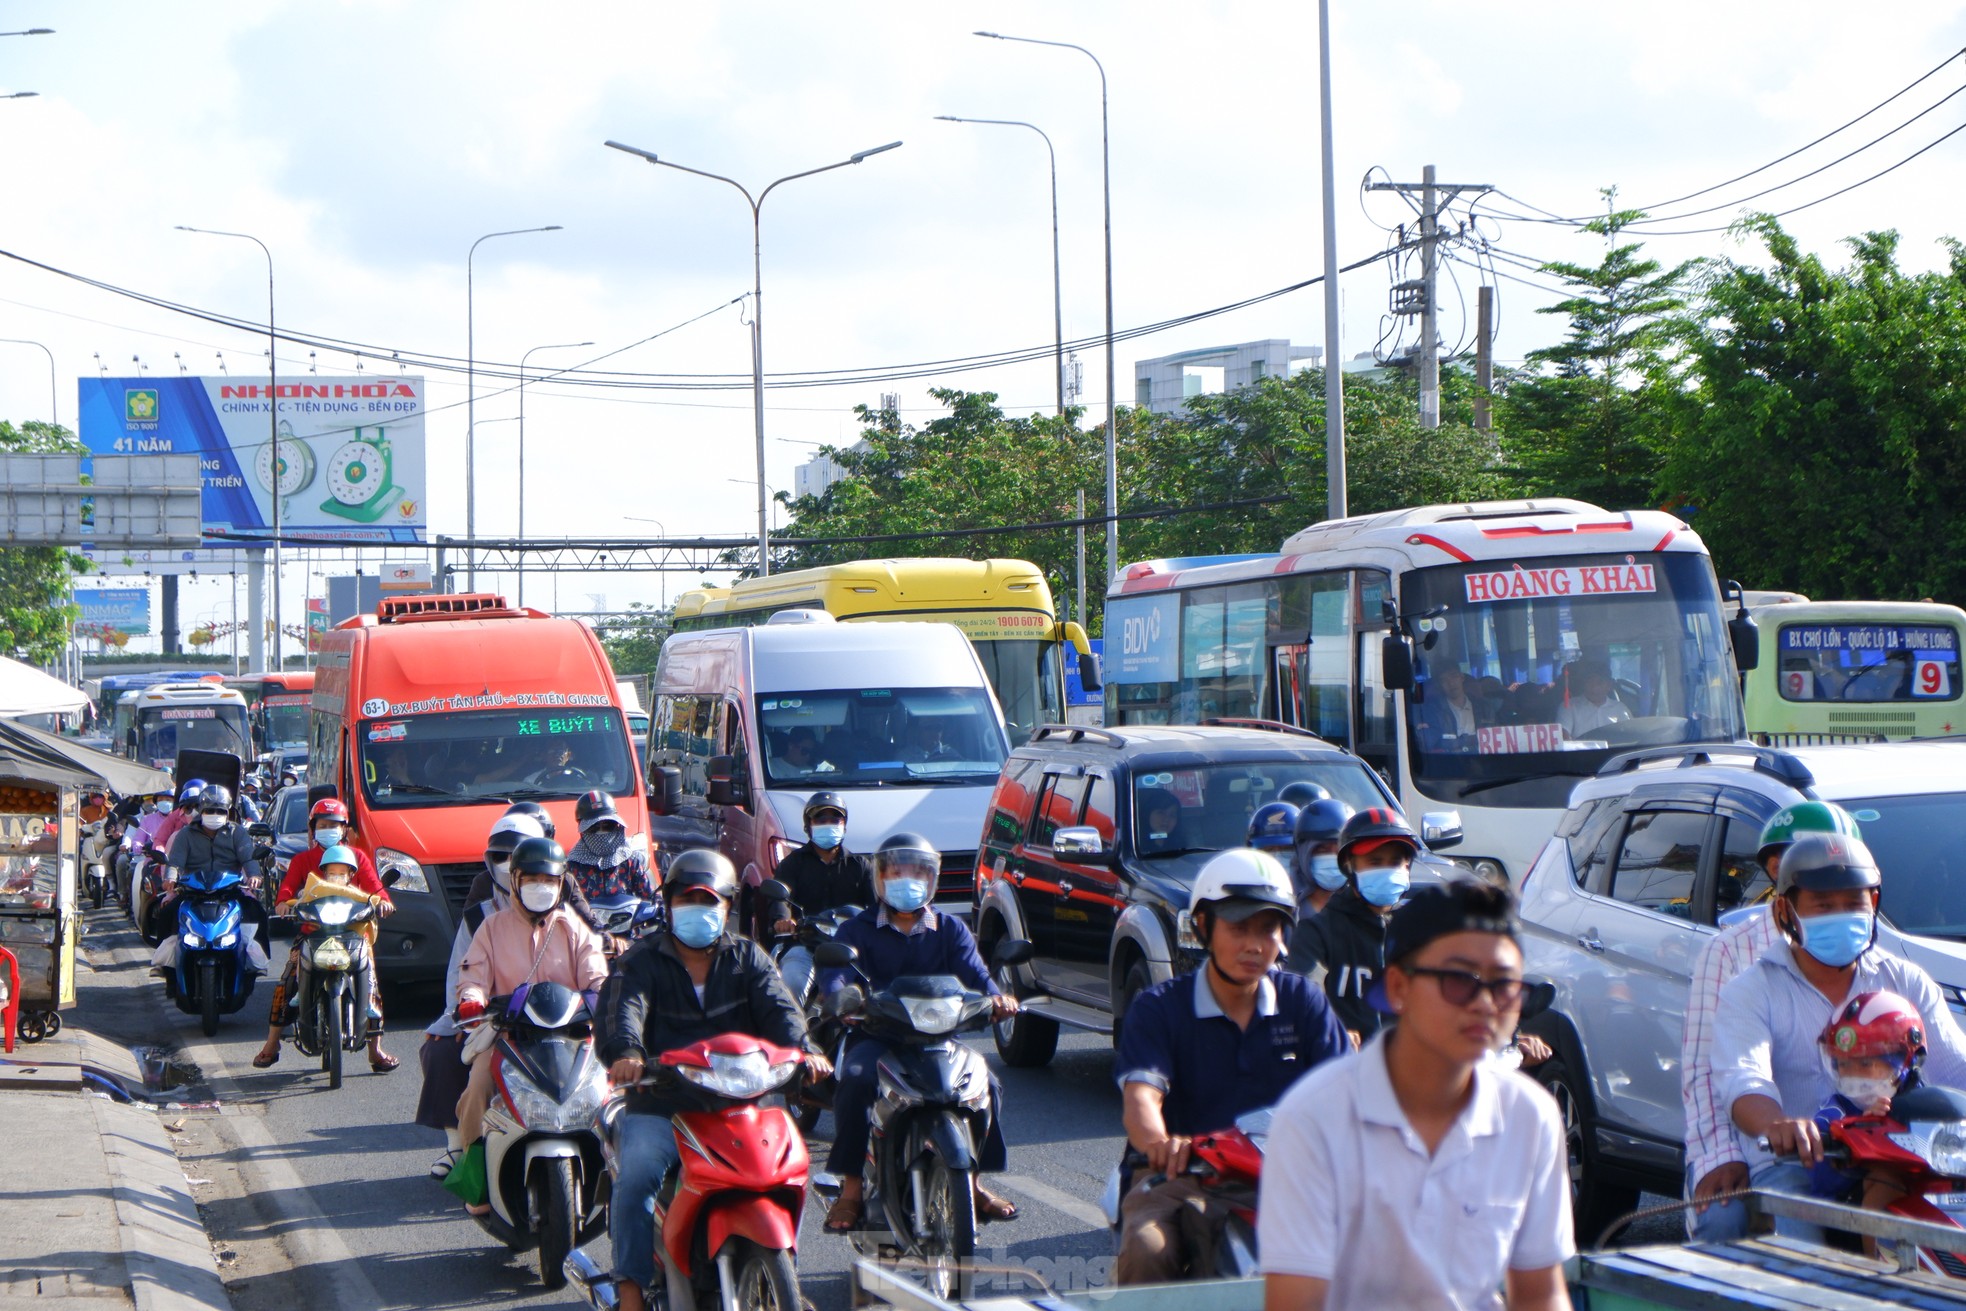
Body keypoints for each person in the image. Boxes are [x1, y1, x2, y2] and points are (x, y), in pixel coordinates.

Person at [1260, 880, 1574, 1311]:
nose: (1485, 1004)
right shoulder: (1314, 1118)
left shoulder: (1531, 1116)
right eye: (1460, 980)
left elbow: (1541, 1294)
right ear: (1398, 989)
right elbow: (1296, 1304)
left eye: (1504, 985)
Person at [597, 849, 826, 1311]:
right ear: (668, 903)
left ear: (727, 906)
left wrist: (807, 1051)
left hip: (742, 1102)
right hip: (664, 1102)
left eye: (709, 901)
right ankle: (630, 1289)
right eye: (687, 899)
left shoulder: (748, 958)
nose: (698, 910)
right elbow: (625, 1013)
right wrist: (628, 1054)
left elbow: (781, 1011)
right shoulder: (641, 960)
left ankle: (783, 1272)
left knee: (789, 1170)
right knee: (638, 1174)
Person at [1714, 834, 1966, 1240]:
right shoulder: (1751, 990)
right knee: (1807, 1262)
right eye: (1824, 906)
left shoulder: (1906, 980)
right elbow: (1744, 1080)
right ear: (1785, 911)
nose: (1841, 915)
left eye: (1854, 904)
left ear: (1874, 905)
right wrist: (1779, 1126)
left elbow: (1956, 1069)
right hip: (1798, 1167)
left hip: (1904, 1158)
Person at [1113, 849, 1348, 1284]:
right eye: (1238, 928)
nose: (1255, 944)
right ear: (1203, 927)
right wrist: (1161, 1144)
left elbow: (1350, 1093)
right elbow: (1141, 1100)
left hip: (1289, 1178)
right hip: (1181, 1176)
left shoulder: (1304, 1002)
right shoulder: (1159, 1008)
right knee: (1149, 1250)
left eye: (1269, 928)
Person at [818, 831, 1020, 1233]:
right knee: (856, 1082)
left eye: (916, 873)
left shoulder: (949, 929)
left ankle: (974, 1184)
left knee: (988, 1085)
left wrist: (997, 999)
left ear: (932, 879)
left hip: (938, 1037)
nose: (906, 881)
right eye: (896, 873)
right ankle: (852, 1189)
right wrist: (842, 999)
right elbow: (835, 974)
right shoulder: (857, 930)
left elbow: (976, 974)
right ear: (879, 878)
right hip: (876, 1036)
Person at [1680, 801, 1862, 1239]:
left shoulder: (1885, 964)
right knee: (1724, 1222)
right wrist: (1723, 1157)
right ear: (1780, 867)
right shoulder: (1733, 955)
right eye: (1822, 900)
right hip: (1770, 1153)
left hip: (1869, 1154)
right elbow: (1711, 1073)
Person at [453, 837, 609, 1206]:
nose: (542, 886)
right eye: (533, 878)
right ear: (515, 880)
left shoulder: (574, 928)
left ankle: (613, 1175)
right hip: (509, 1038)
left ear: (561, 883)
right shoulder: (491, 927)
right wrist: (472, 1000)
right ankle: (475, 1179)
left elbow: (597, 974)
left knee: (614, 1094)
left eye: (550, 880)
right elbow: (473, 977)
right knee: (477, 1087)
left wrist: (605, 996)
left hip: (570, 1040)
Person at [417, 812, 544, 1178]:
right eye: (501, 857)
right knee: (447, 1053)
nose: (510, 867)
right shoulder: (482, 919)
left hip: (558, 1022)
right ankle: (465, 1156)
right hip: (498, 1022)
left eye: (520, 858)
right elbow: (463, 974)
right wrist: (469, 1009)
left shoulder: (568, 919)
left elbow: (592, 970)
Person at [253, 797, 396, 1071]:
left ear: (344, 829)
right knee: (287, 980)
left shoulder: (359, 858)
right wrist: (283, 903)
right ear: (313, 828)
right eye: (323, 824)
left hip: (355, 934)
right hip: (312, 933)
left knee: (371, 980)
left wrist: (384, 902)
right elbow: (287, 889)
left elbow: (376, 888)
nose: (329, 829)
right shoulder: (302, 860)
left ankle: (375, 1050)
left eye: (335, 825)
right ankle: (272, 1044)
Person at [1287, 808, 1418, 1040]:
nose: (1386, 870)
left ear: (1408, 866)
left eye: (1395, 861)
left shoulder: (1418, 931)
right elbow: (1302, 999)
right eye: (1374, 862)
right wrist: (1332, 1034)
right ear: (1349, 866)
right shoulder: (1318, 931)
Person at [1806, 991, 1927, 1214]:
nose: (1852, 1075)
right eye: (1843, 1065)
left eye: (1865, 1064)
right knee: (1886, 1180)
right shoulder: (1832, 1115)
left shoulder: (1923, 1104)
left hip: (1926, 1197)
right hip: (1845, 1212)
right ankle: (1875, 1250)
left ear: (1903, 1061)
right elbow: (1820, 1182)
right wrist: (1861, 1131)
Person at [763, 791, 875, 998]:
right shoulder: (792, 864)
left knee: (876, 992)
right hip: (804, 946)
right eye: (821, 819)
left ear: (844, 825)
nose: (828, 823)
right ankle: (795, 1029)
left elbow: (876, 906)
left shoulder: (860, 866)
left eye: (835, 819)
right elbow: (779, 899)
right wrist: (783, 919)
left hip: (851, 949)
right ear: (808, 825)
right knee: (791, 985)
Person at [157, 783, 268, 954]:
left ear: (227, 812)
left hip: (230, 891)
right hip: (192, 891)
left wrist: (254, 875)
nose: (215, 815)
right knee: (166, 913)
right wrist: (170, 878)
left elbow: (248, 857)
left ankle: (259, 960)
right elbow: (175, 862)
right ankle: (166, 966)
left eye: (220, 811)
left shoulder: (237, 832)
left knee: (258, 912)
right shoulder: (185, 834)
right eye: (210, 811)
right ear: (201, 811)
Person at [564, 790, 658, 912]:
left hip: (626, 927)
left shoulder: (629, 861)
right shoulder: (572, 867)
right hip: (587, 928)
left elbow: (649, 897)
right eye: (594, 828)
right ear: (583, 830)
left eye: (608, 826)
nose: (602, 832)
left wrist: (658, 903)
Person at [1289, 798, 1353, 919]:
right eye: (1322, 850)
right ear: (1303, 852)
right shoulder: (1283, 907)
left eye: (1340, 850)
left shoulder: (1368, 905)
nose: (1334, 858)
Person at [1556, 658, 1630, 740]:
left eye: (1599, 682)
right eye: (1590, 682)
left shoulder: (1620, 708)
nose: (1594, 687)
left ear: (1609, 685)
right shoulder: (1569, 706)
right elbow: (1563, 737)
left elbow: (1630, 736)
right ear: (1583, 684)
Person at [1413, 664, 1482, 750]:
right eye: (1444, 680)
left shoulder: (1485, 708)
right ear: (1439, 685)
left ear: (1462, 677)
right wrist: (1469, 740)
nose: (1451, 683)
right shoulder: (1433, 712)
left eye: (1454, 676)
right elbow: (1430, 742)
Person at [1137, 787, 1188, 856]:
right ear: (1148, 815)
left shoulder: (1183, 848)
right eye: (1161, 813)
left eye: (1172, 815)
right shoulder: (1136, 846)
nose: (1166, 819)